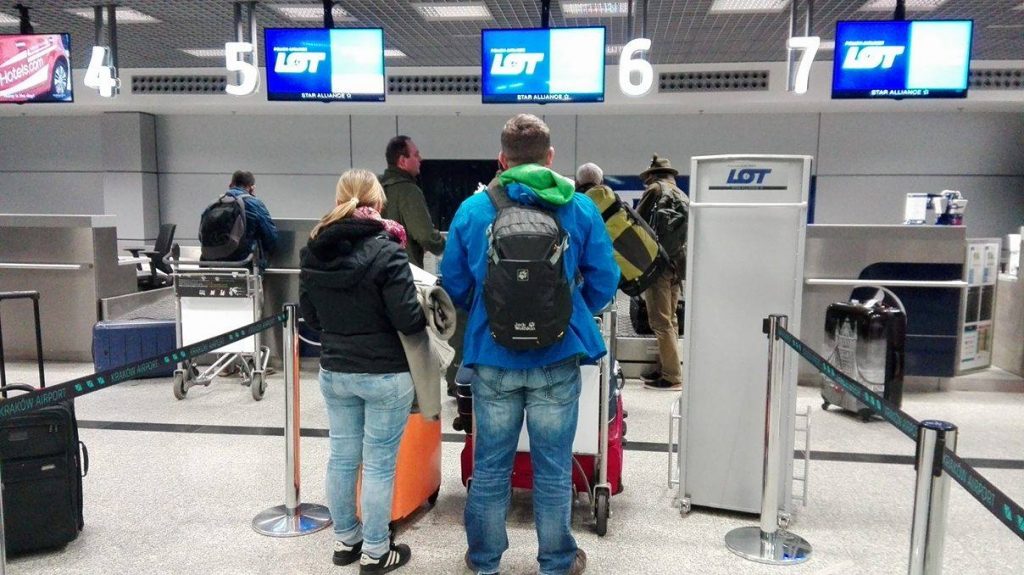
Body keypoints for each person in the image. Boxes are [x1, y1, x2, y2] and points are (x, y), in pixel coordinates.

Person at [441, 114, 619, 575]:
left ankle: (484, 561)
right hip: (556, 357)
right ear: (550, 157)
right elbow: (605, 279)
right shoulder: (579, 208)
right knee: (554, 468)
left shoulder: (473, 210)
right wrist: (568, 311)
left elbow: (454, 284)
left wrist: (491, 310)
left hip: (492, 357)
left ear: (501, 159)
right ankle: (556, 561)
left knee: (490, 467)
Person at [299, 169, 424, 574]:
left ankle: (346, 541)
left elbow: (310, 317)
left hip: (336, 370)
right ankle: (375, 552)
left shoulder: (313, 249)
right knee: (379, 464)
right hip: (385, 373)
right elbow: (408, 320)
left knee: (342, 458)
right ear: (379, 201)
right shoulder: (389, 250)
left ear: (339, 200)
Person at [635, 155, 688, 391]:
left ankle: (672, 376)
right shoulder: (681, 194)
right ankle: (668, 367)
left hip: (658, 264)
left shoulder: (655, 190)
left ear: (652, 176)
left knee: (659, 321)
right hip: (678, 265)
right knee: (671, 319)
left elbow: (636, 221)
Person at [380, 136, 445, 269]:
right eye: (416, 155)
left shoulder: (376, 188)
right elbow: (425, 236)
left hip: (378, 269)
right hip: (404, 271)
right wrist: (441, 243)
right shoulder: (408, 190)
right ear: (402, 161)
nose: (420, 159)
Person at [200, 170, 278, 269]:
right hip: (242, 265)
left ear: (230, 185)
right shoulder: (254, 204)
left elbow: (201, 236)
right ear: (252, 188)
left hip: (210, 265)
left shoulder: (213, 204)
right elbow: (271, 237)